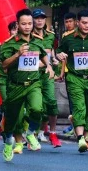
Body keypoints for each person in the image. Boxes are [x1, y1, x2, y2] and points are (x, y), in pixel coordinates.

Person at [0, 8, 48, 162]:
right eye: (24, 24)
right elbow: (4, 64)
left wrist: (49, 66)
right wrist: (18, 54)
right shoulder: (9, 44)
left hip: (33, 83)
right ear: (18, 25)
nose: (27, 26)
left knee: (38, 109)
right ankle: (8, 143)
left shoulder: (37, 40)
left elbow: (44, 55)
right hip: (16, 85)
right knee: (12, 120)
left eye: (30, 23)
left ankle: (31, 132)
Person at [56, 9, 88, 152]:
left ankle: (84, 132)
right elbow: (59, 50)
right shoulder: (68, 38)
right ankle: (79, 139)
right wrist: (59, 55)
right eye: (84, 23)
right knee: (79, 107)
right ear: (78, 22)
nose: (86, 26)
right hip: (75, 77)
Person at [31, 8, 61, 148]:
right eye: (37, 18)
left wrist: (55, 60)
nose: (40, 21)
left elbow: (52, 53)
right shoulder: (28, 36)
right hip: (33, 75)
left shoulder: (50, 36)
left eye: (42, 18)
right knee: (36, 106)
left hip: (47, 74)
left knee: (51, 102)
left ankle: (53, 133)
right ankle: (33, 132)